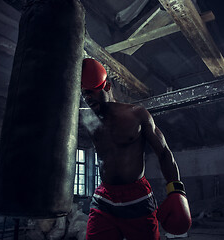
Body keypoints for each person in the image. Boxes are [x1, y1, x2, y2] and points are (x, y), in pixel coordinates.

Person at [80, 58, 191, 240]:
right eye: (85, 94)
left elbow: (164, 152)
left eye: (92, 92)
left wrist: (176, 190)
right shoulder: (86, 118)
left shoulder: (137, 114)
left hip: (137, 197)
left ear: (107, 86)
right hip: (104, 198)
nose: (88, 97)